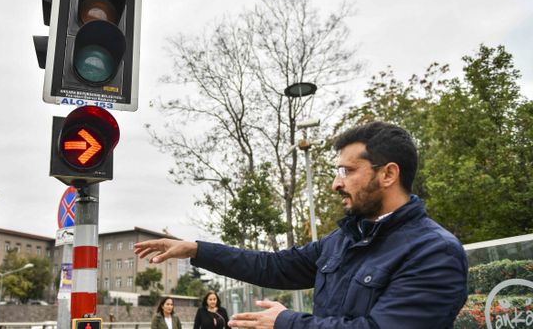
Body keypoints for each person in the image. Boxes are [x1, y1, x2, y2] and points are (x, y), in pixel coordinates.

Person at [134, 122, 468, 329]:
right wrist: (197, 249)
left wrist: (285, 322)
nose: (336, 184)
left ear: (388, 174)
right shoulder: (344, 240)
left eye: (347, 172)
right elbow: (274, 266)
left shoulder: (435, 253)